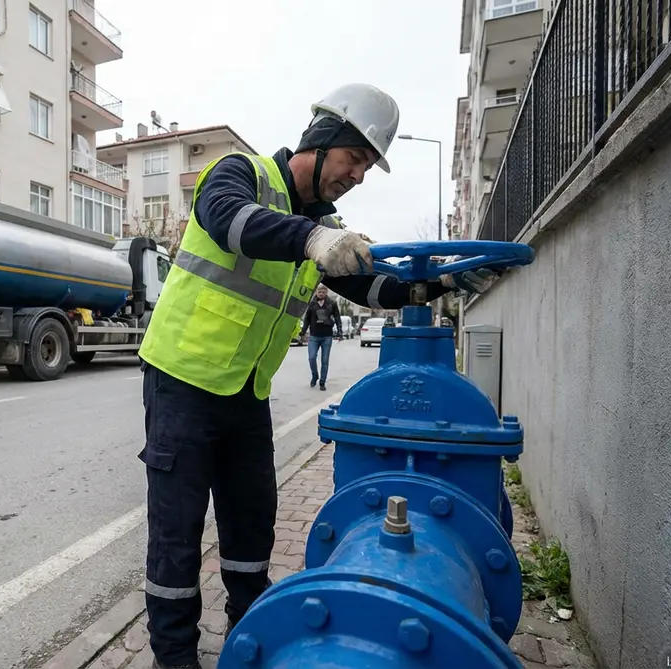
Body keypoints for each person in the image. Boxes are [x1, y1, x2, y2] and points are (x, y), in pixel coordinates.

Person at [134, 83, 499, 669]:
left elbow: (373, 287)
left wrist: (442, 282)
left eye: (366, 167)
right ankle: (173, 657)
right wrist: (312, 239)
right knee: (175, 537)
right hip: (182, 382)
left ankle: (248, 636)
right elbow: (229, 221)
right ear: (323, 140)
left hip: (245, 392)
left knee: (252, 526)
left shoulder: (323, 225)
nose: (356, 175)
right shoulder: (241, 175)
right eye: (354, 158)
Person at [301, 284, 341, 391]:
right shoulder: (312, 304)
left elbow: (337, 318)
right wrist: (303, 332)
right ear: (316, 292)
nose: (321, 293)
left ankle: (322, 382)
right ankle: (315, 376)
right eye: (319, 292)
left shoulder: (332, 303)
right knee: (311, 357)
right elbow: (307, 319)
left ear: (326, 292)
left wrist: (340, 332)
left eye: (323, 292)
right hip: (314, 336)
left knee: (324, 361)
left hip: (327, 336)